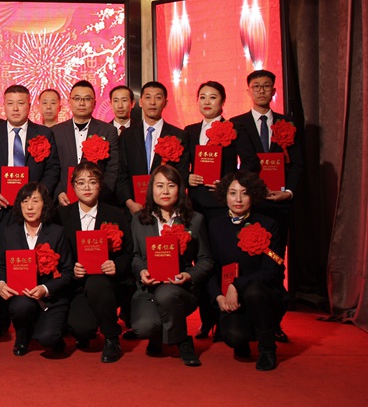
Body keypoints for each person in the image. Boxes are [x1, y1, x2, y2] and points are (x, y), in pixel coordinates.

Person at [0, 84, 60, 338]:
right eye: (10, 103)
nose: (15, 108)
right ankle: (0, 319)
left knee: (34, 261)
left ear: (29, 105)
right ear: (3, 105)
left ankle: (34, 316)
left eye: (21, 103)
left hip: (34, 212)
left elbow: (53, 169)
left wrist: (37, 197)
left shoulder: (43, 133)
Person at [230, 70, 302, 342]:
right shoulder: (237, 124)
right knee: (248, 260)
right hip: (248, 206)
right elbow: (232, 165)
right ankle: (243, 315)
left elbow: (298, 164)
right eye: (256, 86)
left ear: (274, 91)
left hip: (279, 206)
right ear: (248, 90)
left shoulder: (287, 124)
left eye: (266, 86)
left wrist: (288, 192)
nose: (261, 90)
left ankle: (275, 321)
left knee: (275, 261)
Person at [184, 81, 258, 339]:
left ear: (223, 101)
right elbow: (180, 166)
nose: (207, 102)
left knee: (223, 259)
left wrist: (229, 182)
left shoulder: (235, 129)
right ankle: (207, 319)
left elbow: (251, 162)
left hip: (222, 207)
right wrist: (187, 177)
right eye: (202, 97)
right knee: (201, 262)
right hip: (195, 206)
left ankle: (230, 315)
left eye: (213, 97)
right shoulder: (190, 131)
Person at [130, 165, 212, 366]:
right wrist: (142, 271)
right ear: (151, 189)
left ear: (180, 189)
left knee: (166, 294)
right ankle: (158, 335)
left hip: (180, 289)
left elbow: (206, 260)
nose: (165, 191)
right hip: (149, 289)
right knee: (143, 327)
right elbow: (135, 256)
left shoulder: (195, 220)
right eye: (159, 186)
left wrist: (189, 275)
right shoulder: (139, 220)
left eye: (171, 185)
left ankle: (183, 341)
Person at [208, 171, 285, 371]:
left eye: (245, 193)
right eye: (233, 193)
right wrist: (218, 296)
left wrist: (237, 285)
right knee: (235, 337)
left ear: (254, 195)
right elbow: (211, 267)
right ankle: (245, 336)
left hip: (263, 295)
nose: (238, 199)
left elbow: (272, 269)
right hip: (231, 299)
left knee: (254, 291)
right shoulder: (215, 225)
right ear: (225, 195)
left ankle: (267, 348)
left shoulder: (268, 224)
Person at [57, 162, 131, 362]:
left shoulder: (115, 214)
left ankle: (112, 338)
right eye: (81, 183)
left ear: (100, 184)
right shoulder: (62, 215)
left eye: (92, 182)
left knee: (97, 283)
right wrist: (71, 269)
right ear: (73, 187)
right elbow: (57, 253)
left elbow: (128, 252)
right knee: (81, 328)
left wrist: (116, 266)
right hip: (78, 285)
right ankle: (90, 326)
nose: (87, 187)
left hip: (108, 283)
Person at [0, 183, 73, 356]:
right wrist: (0, 284)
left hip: (51, 299)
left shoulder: (57, 233)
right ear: (19, 205)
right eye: (25, 201)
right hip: (22, 297)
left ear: (45, 204)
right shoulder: (9, 233)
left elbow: (68, 272)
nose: (30, 207)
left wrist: (45, 288)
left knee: (48, 338)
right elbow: (0, 267)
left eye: (35, 201)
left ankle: (49, 332)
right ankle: (22, 337)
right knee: (21, 306)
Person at [117, 81, 190, 216]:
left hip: (167, 209)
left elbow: (182, 174)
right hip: (134, 209)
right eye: (148, 97)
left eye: (158, 97)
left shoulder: (179, 136)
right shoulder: (127, 135)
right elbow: (122, 173)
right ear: (140, 102)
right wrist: (129, 202)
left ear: (165, 103)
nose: (152, 102)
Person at [52, 80, 119, 206]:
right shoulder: (56, 132)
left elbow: (113, 168)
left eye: (87, 99)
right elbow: (52, 168)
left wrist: (100, 193)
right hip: (64, 201)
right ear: (69, 102)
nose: (82, 103)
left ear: (95, 103)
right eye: (77, 98)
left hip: (98, 200)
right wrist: (59, 191)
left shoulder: (108, 131)